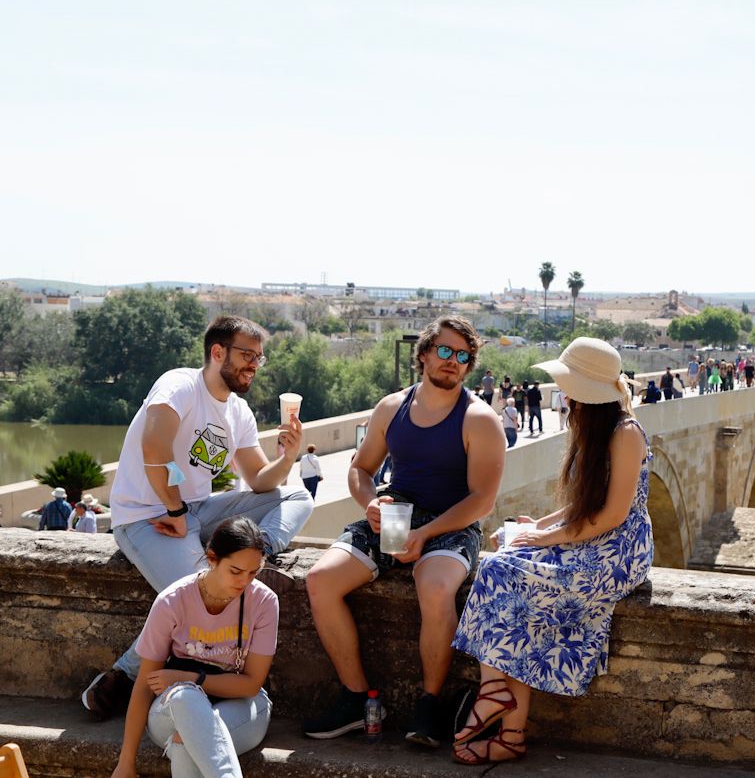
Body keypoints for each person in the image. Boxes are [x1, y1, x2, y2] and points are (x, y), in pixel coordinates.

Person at [82, 315, 313, 722]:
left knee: (296, 495)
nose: (254, 365)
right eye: (246, 355)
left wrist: (287, 457)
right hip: (147, 516)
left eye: (259, 358)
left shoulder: (238, 412)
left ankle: (262, 555)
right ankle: (124, 675)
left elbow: (260, 480)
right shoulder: (180, 385)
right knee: (200, 596)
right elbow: (155, 447)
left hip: (196, 512)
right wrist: (174, 508)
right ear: (217, 352)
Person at [301, 316, 506, 745]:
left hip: (453, 525)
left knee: (432, 586)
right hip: (394, 515)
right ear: (425, 353)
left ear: (470, 366)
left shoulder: (479, 419)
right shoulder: (391, 408)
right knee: (320, 580)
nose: (452, 362)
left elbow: (482, 500)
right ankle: (356, 698)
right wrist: (370, 503)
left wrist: (427, 534)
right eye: (445, 351)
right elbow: (361, 469)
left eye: (463, 356)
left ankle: (428, 704)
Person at [451, 338, 654, 764]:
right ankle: (509, 731)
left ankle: (496, 701)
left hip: (618, 551)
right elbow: (584, 502)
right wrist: (536, 526)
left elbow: (614, 514)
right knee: (502, 574)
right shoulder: (593, 427)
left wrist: (545, 540)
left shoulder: (626, 433)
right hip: (591, 534)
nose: (562, 394)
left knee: (506, 576)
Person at [110, 517, 279, 778]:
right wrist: (126, 762)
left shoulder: (264, 601)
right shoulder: (172, 601)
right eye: (235, 571)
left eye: (253, 572)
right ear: (212, 558)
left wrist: (190, 678)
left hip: (240, 705)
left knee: (184, 742)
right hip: (172, 710)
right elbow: (145, 684)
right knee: (185, 697)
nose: (245, 581)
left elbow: (250, 684)